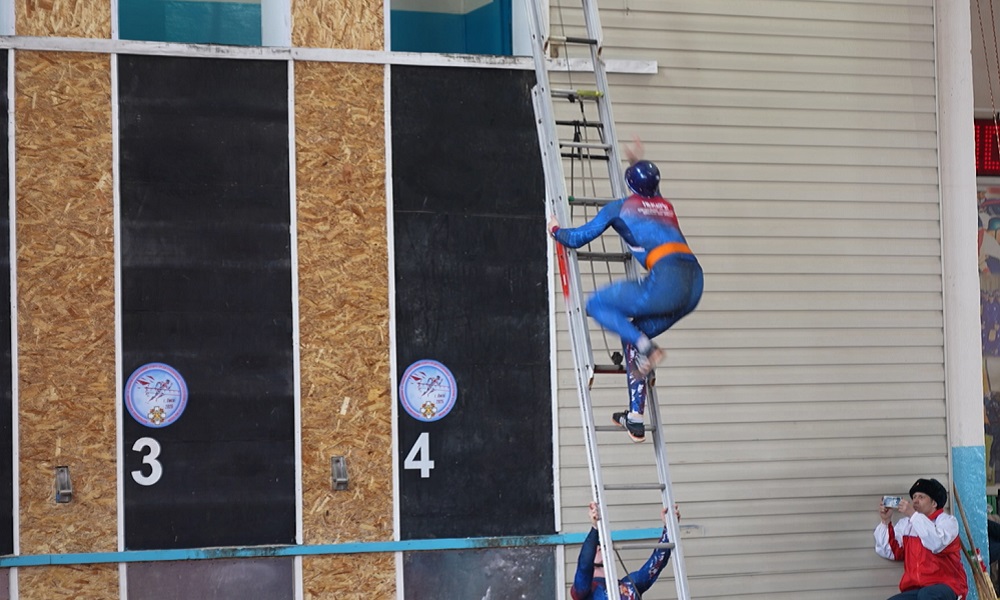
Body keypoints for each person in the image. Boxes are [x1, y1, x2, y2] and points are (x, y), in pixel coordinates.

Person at [547, 141, 703, 442]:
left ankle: (649, 350)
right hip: (694, 284)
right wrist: (637, 163)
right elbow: (649, 192)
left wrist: (555, 229)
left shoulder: (618, 208)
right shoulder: (665, 205)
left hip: (666, 282)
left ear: (629, 184)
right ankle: (635, 419)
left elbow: (577, 239)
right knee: (633, 336)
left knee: (596, 305)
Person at [874, 478, 967, 600]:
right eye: (914, 497)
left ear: (934, 503)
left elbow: (936, 543)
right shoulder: (907, 524)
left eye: (921, 497)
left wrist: (913, 515)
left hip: (947, 585)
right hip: (916, 589)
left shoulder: (947, 522)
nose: (915, 501)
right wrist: (885, 521)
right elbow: (890, 551)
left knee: (927, 595)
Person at [571, 501, 676, 600]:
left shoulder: (629, 585)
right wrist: (595, 528)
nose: (600, 548)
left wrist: (668, 527)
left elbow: (656, 564)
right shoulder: (583, 590)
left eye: (603, 546)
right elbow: (584, 565)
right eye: (597, 546)